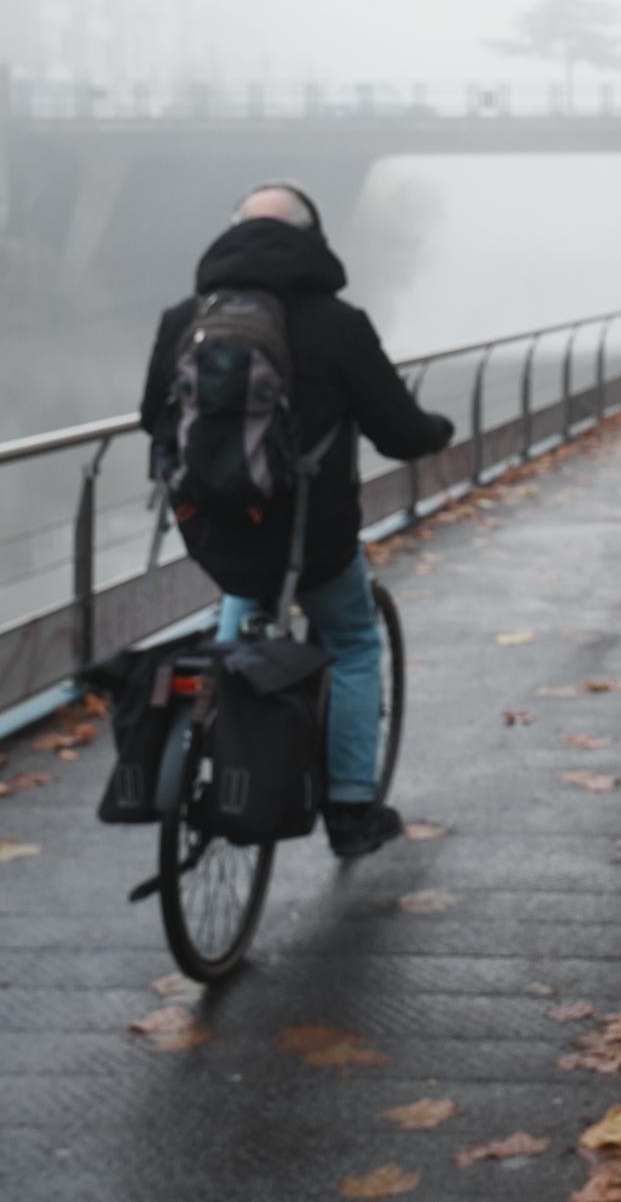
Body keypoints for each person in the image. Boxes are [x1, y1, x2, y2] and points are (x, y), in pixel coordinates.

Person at [139, 182, 452, 856]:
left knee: (239, 618)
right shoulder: (340, 324)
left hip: (219, 529)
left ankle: (224, 760)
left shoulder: (183, 318)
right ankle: (350, 809)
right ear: (314, 241)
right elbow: (397, 431)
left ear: (231, 233)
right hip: (314, 537)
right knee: (353, 640)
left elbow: (149, 418)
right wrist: (438, 428)